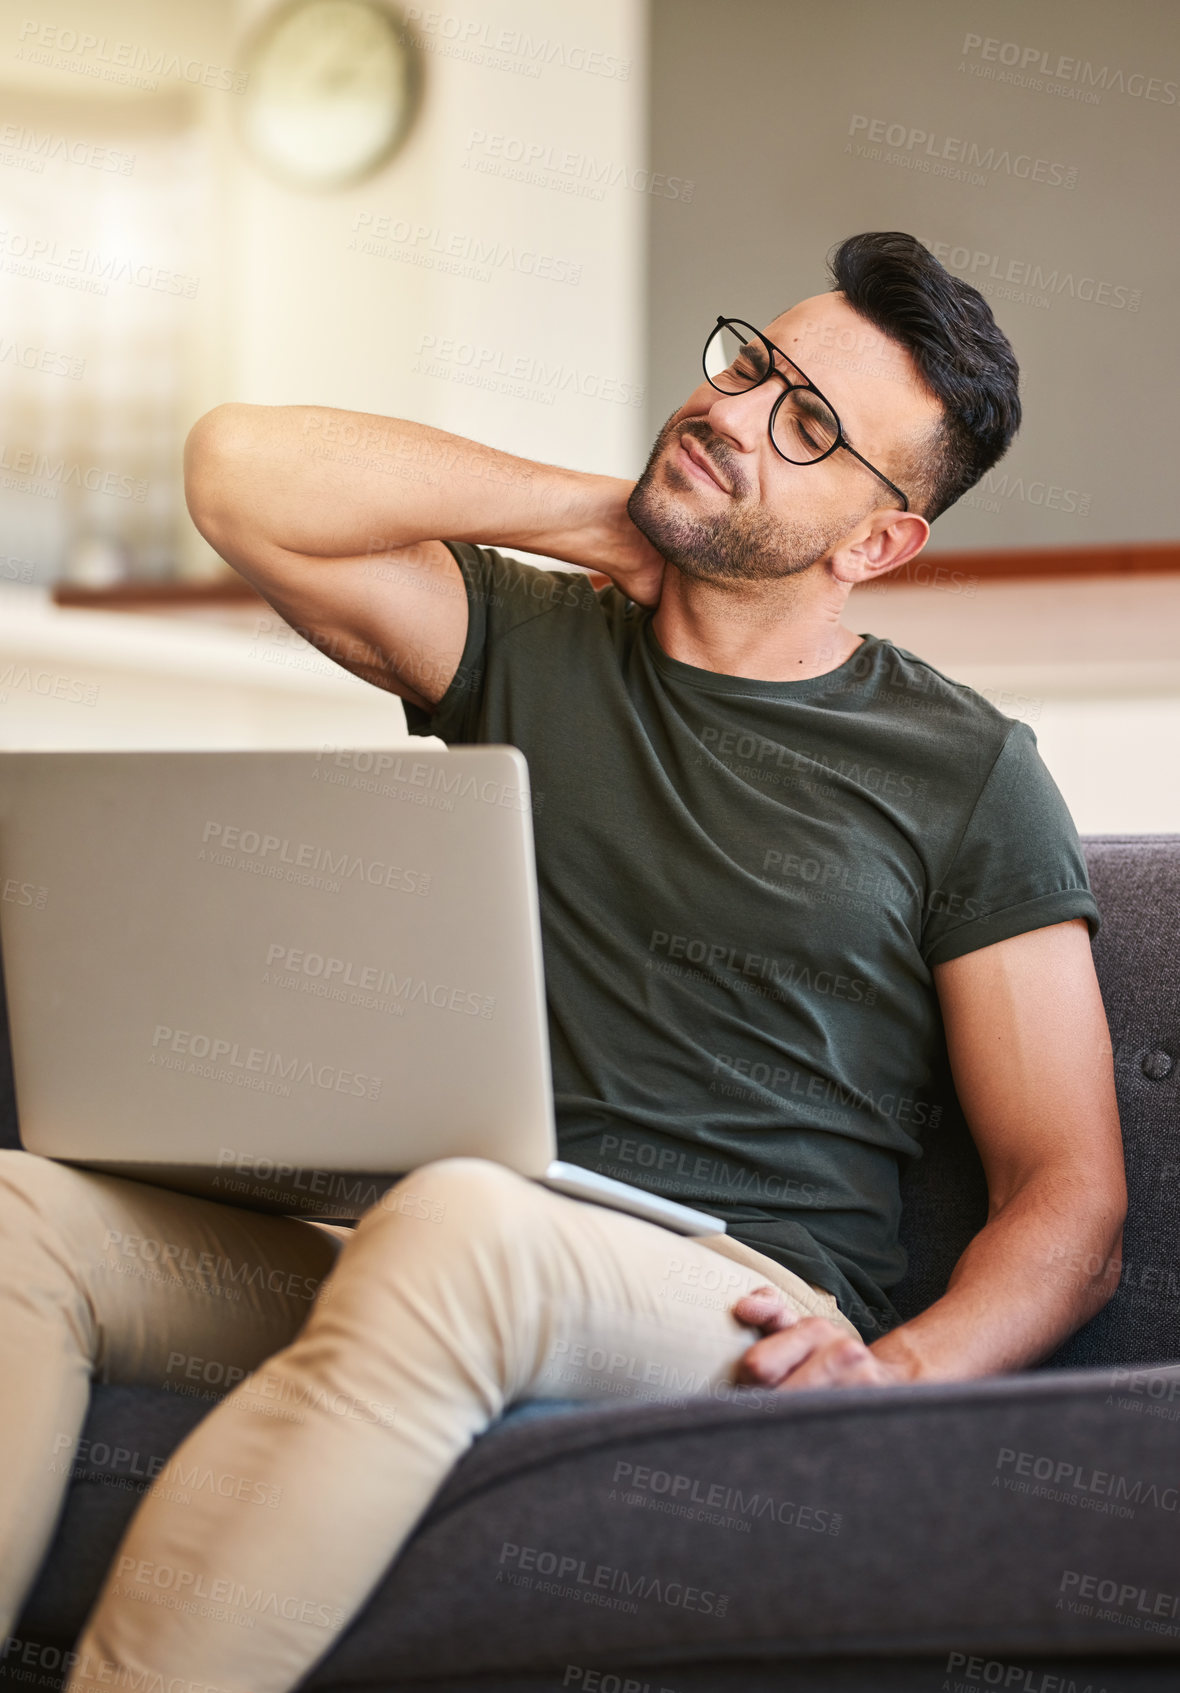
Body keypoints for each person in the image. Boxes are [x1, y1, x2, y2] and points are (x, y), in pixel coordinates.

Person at [0, 232, 1123, 1693]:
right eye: (753, 365)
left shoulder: (965, 769)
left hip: (728, 1295)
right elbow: (235, 469)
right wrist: (609, 519)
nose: (735, 410)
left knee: (458, 1228)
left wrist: (896, 1377)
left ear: (878, 542)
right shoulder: (534, 641)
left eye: (810, 426)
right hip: (424, 1242)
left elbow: (1072, 1198)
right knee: (21, 1212)